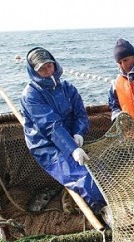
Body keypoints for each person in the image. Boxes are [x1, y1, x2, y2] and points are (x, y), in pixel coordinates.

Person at [20, 47, 107, 213]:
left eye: (49, 66)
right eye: (41, 69)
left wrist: (79, 133)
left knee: (101, 173)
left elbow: (80, 114)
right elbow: (51, 126)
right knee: (86, 179)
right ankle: (103, 212)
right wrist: (73, 150)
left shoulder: (68, 88)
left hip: (71, 139)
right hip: (46, 146)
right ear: (33, 71)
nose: (47, 71)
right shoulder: (30, 95)